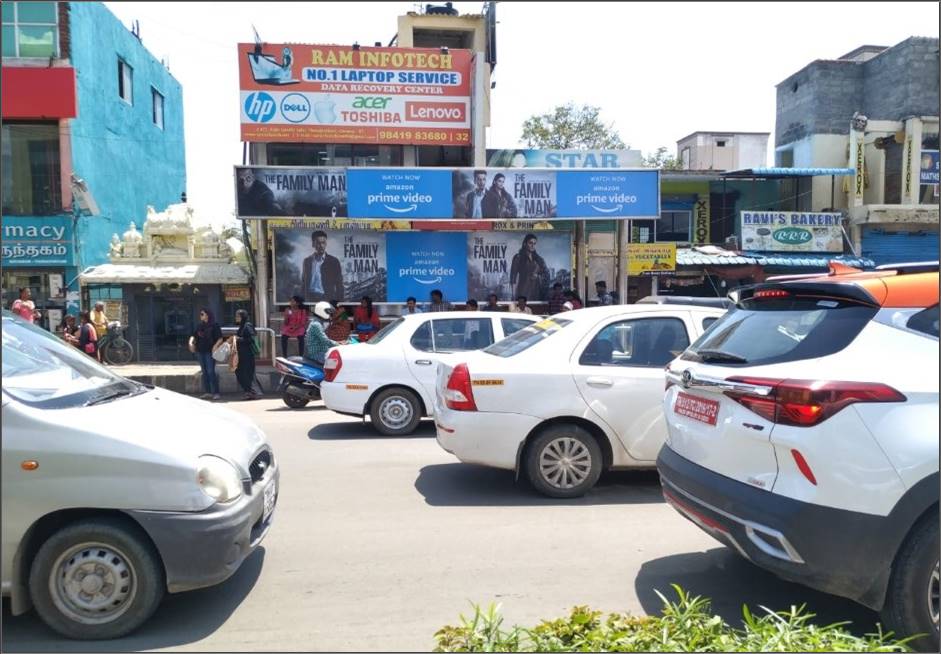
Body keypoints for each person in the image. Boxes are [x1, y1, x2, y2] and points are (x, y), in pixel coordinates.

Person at [188, 308, 223, 401]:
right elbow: (193, 336)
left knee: (211, 371)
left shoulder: (214, 325)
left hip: (209, 352)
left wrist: (215, 346)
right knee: (204, 372)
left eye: (202, 314)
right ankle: (208, 392)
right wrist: (190, 343)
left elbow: (220, 338)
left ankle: (216, 392)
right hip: (200, 351)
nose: (200, 316)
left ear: (207, 315)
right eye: (200, 314)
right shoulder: (200, 326)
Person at [301, 230, 344, 303]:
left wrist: (340, 302)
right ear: (313, 244)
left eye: (323, 243)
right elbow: (304, 282)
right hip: (310, 298)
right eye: (318, 243)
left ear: (326, 243)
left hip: (326, 298)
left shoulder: (333, 261)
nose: (321, 246)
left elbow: (339, 284)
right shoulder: (307, 261)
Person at [510, 233, 549, 302]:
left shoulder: (539, 259)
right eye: (530, 243)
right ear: (525, 244)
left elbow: (546, 274)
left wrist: (537, 276)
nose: (532, 245)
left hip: (536, 292)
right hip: (523, 291)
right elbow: (513, 277)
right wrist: (513, 296)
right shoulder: (518, 257)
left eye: (534, 243)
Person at [234, 309, 260, 400]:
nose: (236, 318)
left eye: (238, 316)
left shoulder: (247, 326)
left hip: (247, 355)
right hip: (241, 354)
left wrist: (239, 339)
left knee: (247, 373)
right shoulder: (241, 327)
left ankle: (252, 392)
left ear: (242, 317)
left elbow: (251, 339)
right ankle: (248, 391)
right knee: (239, 372)